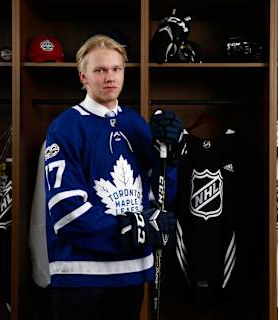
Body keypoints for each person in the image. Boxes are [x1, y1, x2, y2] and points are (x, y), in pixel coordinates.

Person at [43, 34, 184, 320]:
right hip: (81, 276)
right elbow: (65, 213)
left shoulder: (136, 125)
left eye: (116, 69)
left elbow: (159, 198)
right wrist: (128, 228)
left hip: (130, 273)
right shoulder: (66, 128)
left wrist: (170, 160)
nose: (110, 77)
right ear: (83, 76)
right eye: (100, 70)